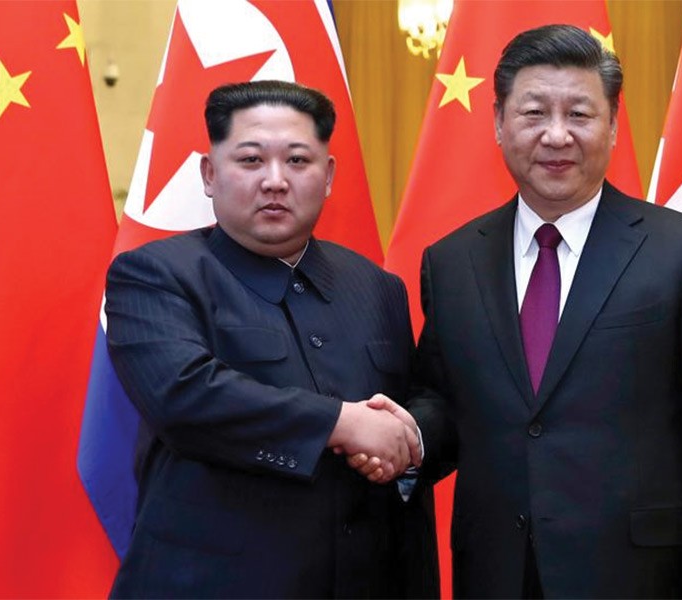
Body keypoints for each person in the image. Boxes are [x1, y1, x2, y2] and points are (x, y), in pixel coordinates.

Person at [403, 24, 682, 598]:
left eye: (579, 114)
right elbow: (445, 402)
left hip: (638, 579)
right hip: (497, 574)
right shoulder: (452, 262)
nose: (556, 135)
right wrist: (404, 435)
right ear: (498, 122)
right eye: (533, 113)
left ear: (613, 124)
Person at [106, 80, 438, 599]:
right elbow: (183, 395)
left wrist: (406, 439)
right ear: (209, 174)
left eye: (298, 161)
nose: (276, 181)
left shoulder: (378, 287)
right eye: (251, 160)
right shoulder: (154, 275)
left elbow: (419, 402)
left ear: (328, 176)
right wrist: (343, 424)